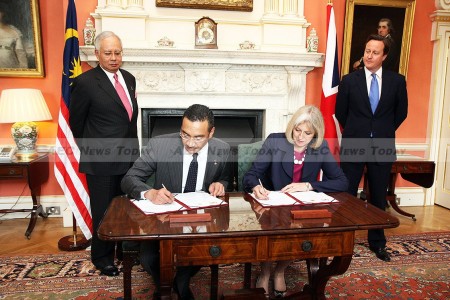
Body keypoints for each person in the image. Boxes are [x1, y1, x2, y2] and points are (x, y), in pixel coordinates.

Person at [121, 104, 232, 300]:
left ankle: (178, 283)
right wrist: (149, 193)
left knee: (200, 253)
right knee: (148, 258)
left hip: (200, 218)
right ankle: (169, 285)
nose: (189, 143)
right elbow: (129, 180)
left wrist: (220, 184)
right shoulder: (159, 145)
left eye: (198, 137)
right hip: (165, 216)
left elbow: (225, 179)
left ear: (211, 133)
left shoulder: (222, 149)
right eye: (185, 134)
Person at [243, 105, 348, 297]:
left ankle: (280, 269)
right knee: (271, 229)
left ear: (315, 134)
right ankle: (265, 272)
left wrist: (308, 185)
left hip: (301, 208)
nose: (300, 136)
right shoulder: (275, 141)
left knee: (301, 231)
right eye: (297, 130)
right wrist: (255, 186)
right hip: (272, 205)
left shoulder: (320, 146)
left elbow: (341, 182)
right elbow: (252, 174)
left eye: (307, 133)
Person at [69, 31, 139, 277]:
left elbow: (129, 119)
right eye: (108, 53)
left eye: (117, 52)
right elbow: (76, 123)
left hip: (129, 158)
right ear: (97, 53)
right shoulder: (85, 83)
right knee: (104, 211)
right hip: (101, 160)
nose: (113, 57)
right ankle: (102, 257)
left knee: (125, 208)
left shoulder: (129, 78)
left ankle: (124, 251)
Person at [336, 34, 408, 262]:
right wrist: (360, 130)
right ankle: (342, 241)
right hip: (354, 141)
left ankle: (377, 243)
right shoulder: (349, 80)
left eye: (375, 52)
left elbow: (401, 113)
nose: (369, 55)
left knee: (378, 195)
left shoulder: (397, 81)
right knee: (346, 194)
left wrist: (379, 131)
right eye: (367, 50)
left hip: (382, 144)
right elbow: (341, 113)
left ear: (384, 56)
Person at [0, 3, 28, 68]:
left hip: (10, 65)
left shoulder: (14, 32)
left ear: (3, 13)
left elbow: (20, 53)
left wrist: (24, 69)